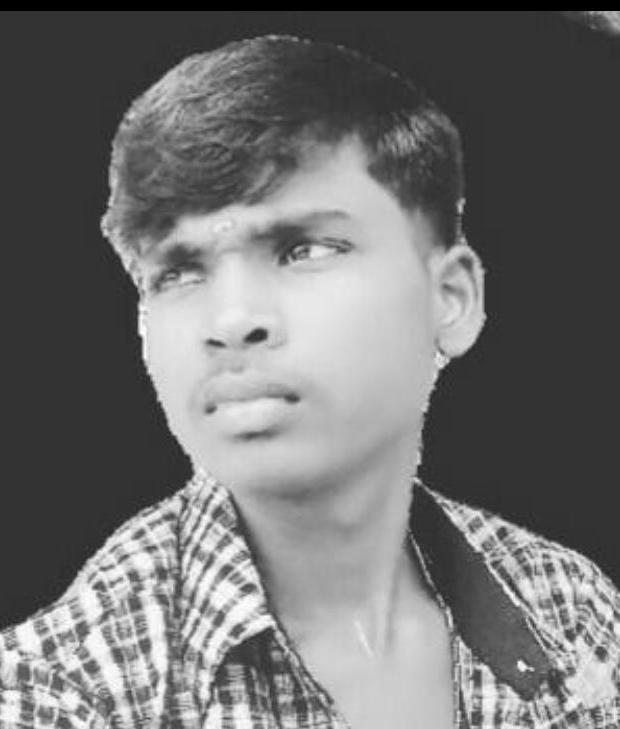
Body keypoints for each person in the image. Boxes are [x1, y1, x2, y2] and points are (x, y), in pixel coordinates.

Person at [0, 34, 618, 729]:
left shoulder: (570, 610)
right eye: (178, 271)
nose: (231, 320)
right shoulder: (64, 691)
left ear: (450, 298)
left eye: (304, 249)